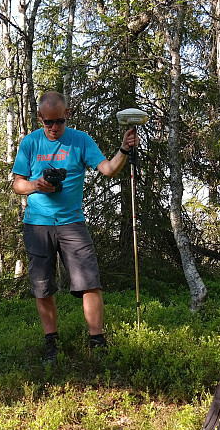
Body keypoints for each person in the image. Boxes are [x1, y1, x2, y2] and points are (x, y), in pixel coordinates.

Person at [12, 91, 137, 363]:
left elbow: (108, 169)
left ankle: (97, 343)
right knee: (42, 287)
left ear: (67, 114)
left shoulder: (80, 140)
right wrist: (36, 185)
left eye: (59, 121)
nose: (54, 128)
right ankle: (51, 345)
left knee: (90, 283)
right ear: (40, 119)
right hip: (37, 224)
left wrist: (124, 149)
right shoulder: (30, 143)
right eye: (48, 122)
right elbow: (17, 184)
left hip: (72, 223)